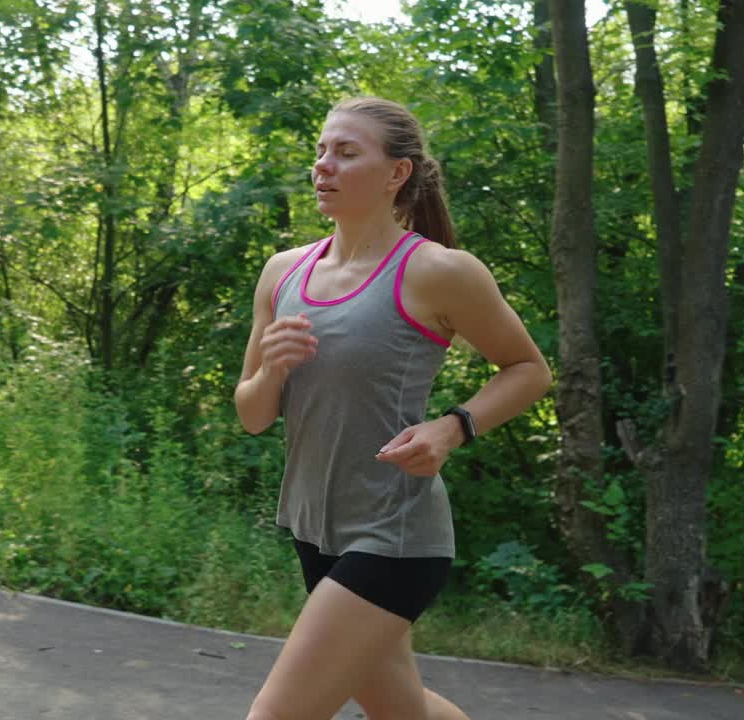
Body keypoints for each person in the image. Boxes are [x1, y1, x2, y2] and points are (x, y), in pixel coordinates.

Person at [233, 96, 553, 720]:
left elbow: (530, 370)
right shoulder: (283, 272)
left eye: (347, 153)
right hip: (313, 526)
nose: (324, 165)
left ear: (396, 173)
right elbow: (253, 415)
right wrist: (271, 367)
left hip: (395, 532)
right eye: (322, 150)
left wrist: (452, 428)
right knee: (404, 710)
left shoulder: (438, 272)